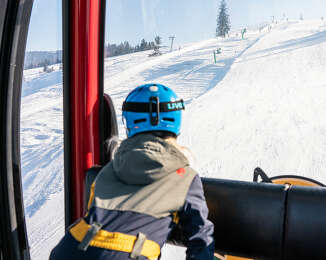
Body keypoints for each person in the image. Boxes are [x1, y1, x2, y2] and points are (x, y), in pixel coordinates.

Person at [50, 83, 215, 260]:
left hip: (70, 249)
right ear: (176, 123)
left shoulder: (109, 170)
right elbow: (201, 236)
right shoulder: (185, 178)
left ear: (128, 123)